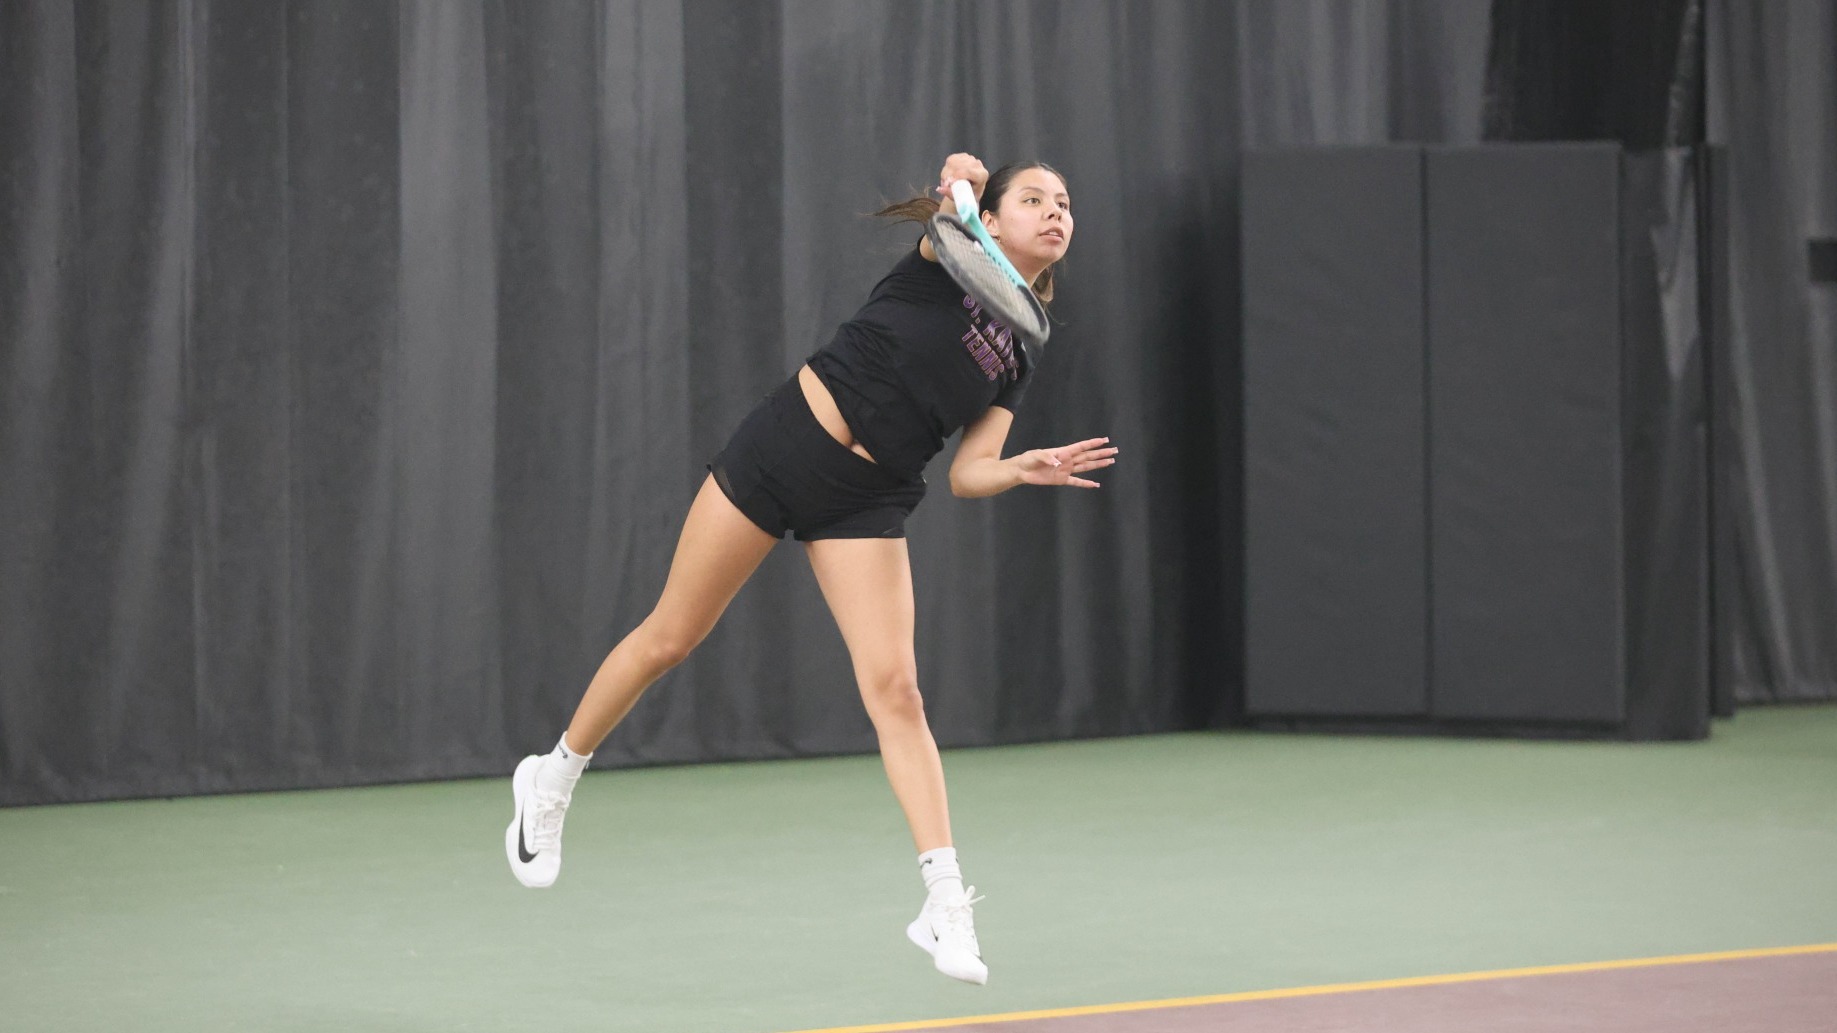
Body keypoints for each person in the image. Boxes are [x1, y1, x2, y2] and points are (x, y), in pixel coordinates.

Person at [504, 153, 1117, 985]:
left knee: (896, 690)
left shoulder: (1022, 346)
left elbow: (969, 472)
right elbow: (955, 191)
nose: (1055, 212)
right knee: (669, 638)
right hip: (784, 447)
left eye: (1065, 203)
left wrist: (1020, 466)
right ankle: (554, 774)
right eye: (1034, 198)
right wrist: (962, 176)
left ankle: (941, 902)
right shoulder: (948, 254)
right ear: (996, 218)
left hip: (867, 498)